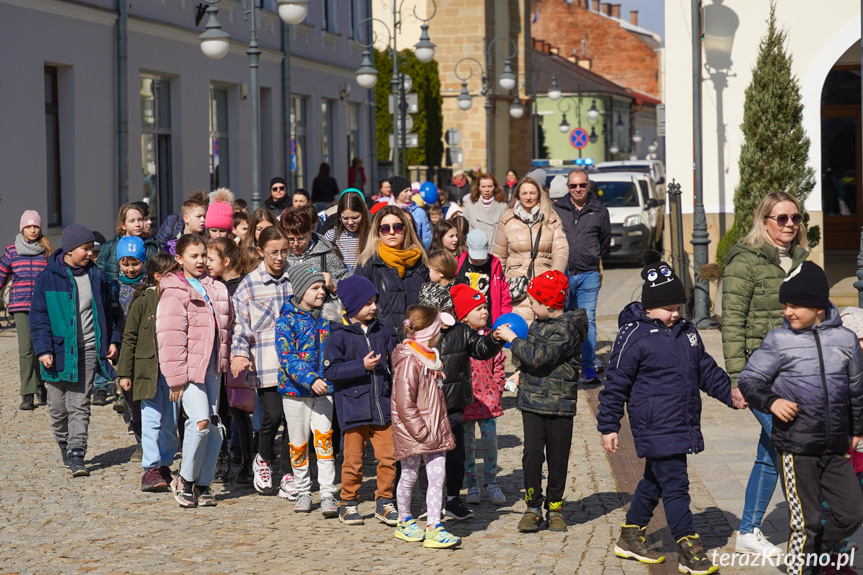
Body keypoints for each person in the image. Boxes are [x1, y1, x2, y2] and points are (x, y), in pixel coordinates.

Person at [597, 254, 732, 573]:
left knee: (656, 480)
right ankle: (689, 547)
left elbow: (706, 370)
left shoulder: (687, 332)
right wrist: (609, 425)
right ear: (648, 307)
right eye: (668, 309)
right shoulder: (634, 335)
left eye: (678, 308)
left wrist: (733, 393)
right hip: (654, 423)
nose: (675, 314)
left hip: (679, 420)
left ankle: (630, 536)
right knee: (676, 485)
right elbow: (616, 381)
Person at [739, 262, 863, 575]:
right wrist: (772, 401)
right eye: (786, 305)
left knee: (853, 512)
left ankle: (817, 554)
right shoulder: (779, 340)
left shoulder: (846, 341)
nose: (788, 311)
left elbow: (857, 389)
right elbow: (749, 380)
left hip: (835, 448)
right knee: (804, 523)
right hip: (796, 447)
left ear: (819, 307)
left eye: (795, 305)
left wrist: (858, 429)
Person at [721, 191, 809, 556]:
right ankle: (811, 528)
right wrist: (737, 380)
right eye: (781, 218)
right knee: (796, 445)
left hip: (798, 372)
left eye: (795, 218)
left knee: (771, 451)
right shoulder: (745, 262)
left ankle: (748, 530)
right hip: (761, 374)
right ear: (765, 221)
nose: (790, 224)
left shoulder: (802, 260)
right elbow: (732, 323)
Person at [494, 270, 586, 533]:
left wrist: (513, 340)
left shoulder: (566, 330)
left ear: (549, 304)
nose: (530, 307)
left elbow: (539, 356)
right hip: (532, 401)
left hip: (559, 405)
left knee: (558, 459)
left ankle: (554, 507)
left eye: (533, 302)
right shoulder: (537, 324)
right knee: (532, 456)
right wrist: (519, 368)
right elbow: (528, 360)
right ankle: (533, 506)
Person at [30, 224, 120, 476]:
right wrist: (43, 349)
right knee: (58, 408)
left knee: (80, 404)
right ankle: (63, 442)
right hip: (57, 352)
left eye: (92, 249)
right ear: (70, 250)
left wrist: (112, 340)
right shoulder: (48, 278)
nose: (91, 254)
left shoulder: (97, 276)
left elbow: (109, 314)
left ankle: (77, 453)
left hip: (89, 348)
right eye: (85, 249)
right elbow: (38, 318)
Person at [417, 280, 505, 522]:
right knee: (429, 454)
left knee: (455, 454)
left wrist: (494, 339)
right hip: (427, 405)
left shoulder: (461, 332)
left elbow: (480, 348)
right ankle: (429, 499)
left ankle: (454, 498)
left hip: (454, 403)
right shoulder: (417, 335)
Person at [157, 234, 233, 508]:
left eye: (203, 255)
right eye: (193, 256)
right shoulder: (174, 291)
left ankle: (203, 483)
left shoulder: (218, 288)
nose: (200, 261)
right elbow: (170, 337)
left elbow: (229, 328)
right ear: (179, 259)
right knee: (200, 422)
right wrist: (175, 379)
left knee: (214, 426)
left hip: (213, 368)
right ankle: (184, 480)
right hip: (188, 370)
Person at [322, 275, 399, 526]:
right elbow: (331, 372)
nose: (374, 307)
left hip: (382, 406)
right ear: (351, 307)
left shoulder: (382, 330)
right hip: (353, 409)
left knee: (388, 457)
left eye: (374, 301)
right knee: (353, 461)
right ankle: (348, 502)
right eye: (367, 303)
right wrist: (361, 366)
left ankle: (385, 501)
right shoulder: (337, 335)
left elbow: (395, 359)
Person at [231, 226, 296, 498]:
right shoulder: (249, 284)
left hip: (295, 362)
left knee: (295, 420)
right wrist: (240, 353)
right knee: (273, 415)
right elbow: (240, 325)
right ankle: (263, 460)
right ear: (260, 252)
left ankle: (291, 471)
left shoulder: (295, 276)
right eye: (273, 253)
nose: (279, 258)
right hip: (266, 362)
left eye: (284, 251)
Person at [391, 305, 460, 549]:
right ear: (431, 330)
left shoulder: (430, 356)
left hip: (434, 429)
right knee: (409, 475)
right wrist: (420, 430)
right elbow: (403, 401)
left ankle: (434, 525)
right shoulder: (410, 360)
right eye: (439, 328)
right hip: (417, 431)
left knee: (437, 477)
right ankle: (404, 520)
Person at [275, 263, 338, 516]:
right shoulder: (286, 320)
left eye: (322, 287)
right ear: (301, 291)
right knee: (298, 443)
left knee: (324, 443)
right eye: (315, 288)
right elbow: (287, 356)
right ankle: (302, 490)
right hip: (295, 393)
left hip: (324, 393)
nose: (321, 292)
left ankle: (327, 493)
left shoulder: (329, 315)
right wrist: (310, 378)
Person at [117, 253, 179, 492]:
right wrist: (125, 373)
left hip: (173, 373)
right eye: (172, 275)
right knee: (151, 419)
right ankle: (150, 469)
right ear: (158, 277)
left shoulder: (178, 300)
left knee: (171, 424)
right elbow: (129, 338)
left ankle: (165, 463)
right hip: (147, 372)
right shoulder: (143, 301)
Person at [553, 169, 611, 385]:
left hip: (588, 274)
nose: (577, 189)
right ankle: (567, 366)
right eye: (573, 186)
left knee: (588, 320)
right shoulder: (557, 209)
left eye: (582, 185)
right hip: (563, 274)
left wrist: (592, 257)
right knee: (564, 321)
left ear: (589, 185)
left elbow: (604, 241)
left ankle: (587, 366)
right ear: (568, 188)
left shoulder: (599, 210)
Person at [451, 284, 507, 506]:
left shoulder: (492, 338)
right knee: (468, 445)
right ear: (464, 316)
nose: (484, 311)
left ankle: (491, 482)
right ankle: (472, 483)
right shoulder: (459, 338)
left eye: (485, 307)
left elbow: (499, 366)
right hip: (465, 402)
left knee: (490, 442)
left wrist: (498, 388)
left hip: (488, 402)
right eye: (478, 308)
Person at [493, 176, 569, 323]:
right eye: (524, 193)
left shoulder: (552, 218)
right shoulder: (507, 220)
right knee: (521, 330)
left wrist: (554, 277)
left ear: (539, 195)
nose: (528, 197)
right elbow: (500, 255)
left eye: (532, 193)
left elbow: (561, 249)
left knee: (545, 331)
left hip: (545, 284)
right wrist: (498, 285)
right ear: (518, 196)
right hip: (517, 285)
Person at [206, 238, 252, 484]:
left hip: (237, 355)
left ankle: (247, 461)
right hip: (217, 357)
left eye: (211, 259)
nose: (206, 263)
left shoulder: (241, 287)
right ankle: (221, 458)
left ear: (226, 261)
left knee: (240, 408)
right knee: (220, 409)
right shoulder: (212, 286)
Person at [0, 210, 52, 410]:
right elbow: (1, 277)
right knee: (26, 349)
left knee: (42, 347)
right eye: (28, 227)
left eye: (35, 226)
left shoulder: (46, 251)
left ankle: (41, 385)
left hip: (42, 307)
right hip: (20, 306)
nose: (32, 230)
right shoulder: (11, 251)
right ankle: (28, 393)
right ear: (22, 229)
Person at [354, 205, 429, 339]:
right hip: (381, 341)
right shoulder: (368, 264)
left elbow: (428, 304)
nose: (392, 232)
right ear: (377, 232)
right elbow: (358, 308)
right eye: (385, 228)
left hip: (416, 340)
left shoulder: (419, 261)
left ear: (405, 229)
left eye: (398, 227)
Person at [111, 236, 149, 453]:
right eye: (125, 263)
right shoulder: (114, 288)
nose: (131, 268)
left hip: (144, 348)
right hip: (123, 348)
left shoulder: (149, 287)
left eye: (135, 263)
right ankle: (138, 434)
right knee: (129, 394)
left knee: (144, 394)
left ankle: (148, 438)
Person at [281, 208, 348, 292]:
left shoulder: (326, 256)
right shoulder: (280, 257)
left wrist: (333, 286)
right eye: (290, 239)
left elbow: (347, 286)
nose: (296, 244)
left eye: (301, 238)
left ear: (310, 234)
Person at [456, 229, 511, 326]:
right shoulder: (458, 262)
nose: (478, 260)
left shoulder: (494, 264)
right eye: (475, 255)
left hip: (488, 319)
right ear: (466, 246)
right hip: (463, 320)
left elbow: (504, 292)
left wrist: (504, 316)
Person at [97, 203, 160, 282]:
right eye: (132, 221)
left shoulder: (150, 247)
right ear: (123, 225)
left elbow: (156, 276)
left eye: (140, 220)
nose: (137, 224)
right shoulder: (109, 246)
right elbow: (98, 274)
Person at [324, 189, 370, 272]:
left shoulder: (371, 235)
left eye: (355, 218)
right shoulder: (331, 236)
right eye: (345, 218)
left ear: (363, 214)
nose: (350, 222)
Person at [462, 173, 508, 247]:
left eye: (490, 186)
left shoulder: (502, 205)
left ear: (495, 187)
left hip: (495, 248)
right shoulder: (470, 204)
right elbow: (464, 226)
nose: (487, 190)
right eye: (483, 187)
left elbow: (506, 229)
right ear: (479, 188)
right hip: (475, 248)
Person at [388, 176, 432, 248]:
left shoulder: (419, 212)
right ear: (397, 193)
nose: (410, 194)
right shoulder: (388, 211)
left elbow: (426, 237)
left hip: (415, 252)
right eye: (406, 191)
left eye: (410, 190)